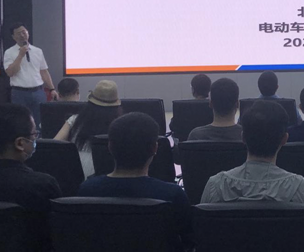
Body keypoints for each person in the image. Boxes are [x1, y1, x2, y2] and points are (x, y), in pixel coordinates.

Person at [201, 100, 304, 251]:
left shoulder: (216, 186)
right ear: (284, 139)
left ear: (243, 138)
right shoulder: (301, 188)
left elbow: (202, 240)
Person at [78, 112, 192, 250]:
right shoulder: (173, 195)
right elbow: (189, 242)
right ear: (155, 148)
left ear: (110, 147)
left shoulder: (86, 191)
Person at [0, 104, 62, 251]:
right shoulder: (43, 185)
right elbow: (58, 236)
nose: (36, 139)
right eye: (34, 135)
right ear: (20, 143)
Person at [54, 80, 121, 178]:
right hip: (109, 176)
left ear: (90, 103)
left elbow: (54, 145)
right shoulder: (120, 125)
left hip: (74, 173)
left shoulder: (75, 120)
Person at [4, 22, 59, 127]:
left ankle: (39, 137)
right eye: (18, 33)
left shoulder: (38, 51)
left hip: (38, 91)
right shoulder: (9, 52)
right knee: (21, 122)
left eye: (24, 32)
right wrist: (20, 55)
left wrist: (52, 89)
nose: (22, 35)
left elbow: (44, 71)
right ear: (13, 37)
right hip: (19, 93)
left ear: (28, 33)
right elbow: (10, 72)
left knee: (40, 122)